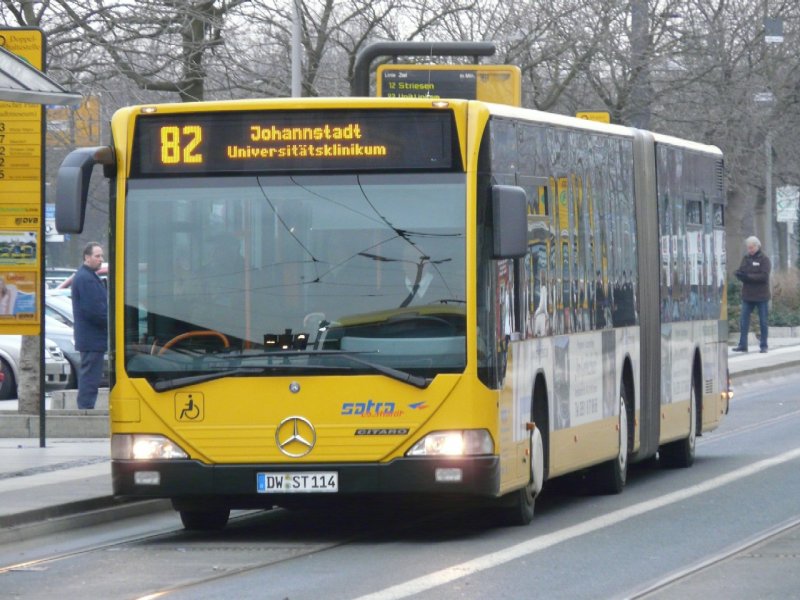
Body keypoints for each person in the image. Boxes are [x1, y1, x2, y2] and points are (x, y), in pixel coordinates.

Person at [71, 242, 108, 409]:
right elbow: (94, 310)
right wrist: (111, 324)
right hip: (92, 338)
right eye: (97, 256)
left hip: (91, 338)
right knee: (90, 377)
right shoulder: (86, 279)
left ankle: (85, 407)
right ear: (87, 257)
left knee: (91, 375)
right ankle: (85, 409)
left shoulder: (88, 276)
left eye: (101, 256)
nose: (101, 259)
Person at [733, 235, 771, 353]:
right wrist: (739, 274)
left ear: (757, 246)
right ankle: (743, 344)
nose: (750, 250)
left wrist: (748, 277)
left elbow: (764, 276)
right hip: (747, 295)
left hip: (761, 295)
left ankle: (764, 345)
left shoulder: (764, 259)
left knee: (763, 321)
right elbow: (742, 270)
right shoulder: (746, 258)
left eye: (751, 248)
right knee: (743, 320)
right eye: (748, 248)